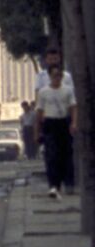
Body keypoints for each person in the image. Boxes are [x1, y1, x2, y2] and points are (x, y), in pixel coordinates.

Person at [39, 66, 78, 198]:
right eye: (55, 75)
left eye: (59, 76)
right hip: (50, 123)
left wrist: (73, 122)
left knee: (66, 155)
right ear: (50, 76)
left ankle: (69, 183)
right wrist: (38, 130)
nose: (57, 78)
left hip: (64, 123)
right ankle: (53, 185)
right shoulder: (44, 92)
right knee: (51, 156)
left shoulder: (68, 91)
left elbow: (73, 107)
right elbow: (39, 111)